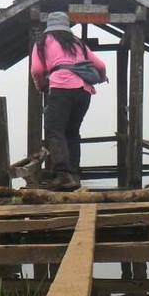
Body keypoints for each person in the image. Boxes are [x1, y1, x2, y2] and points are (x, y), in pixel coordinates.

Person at [30, 11, 107, 191]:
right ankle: (74, 174)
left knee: (54, 131)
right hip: (84, 91)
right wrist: (102, 78)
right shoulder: (77, 43)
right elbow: (101, 66)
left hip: (61, 87)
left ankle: (63, 176)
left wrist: (41, 86)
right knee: (72, 132)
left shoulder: (42, 42)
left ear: (49, 26)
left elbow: (36, 70)